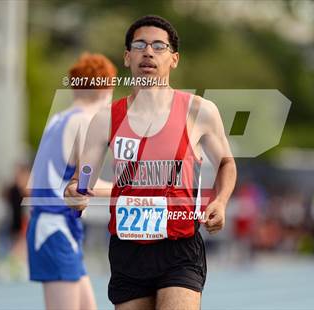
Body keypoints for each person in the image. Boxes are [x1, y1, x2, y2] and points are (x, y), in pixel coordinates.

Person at [65, 15, 237, 310]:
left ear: (174, 59)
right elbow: (83, 178)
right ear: (127, 57)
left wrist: (220, 202)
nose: (148, 52)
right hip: (128, 250)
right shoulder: (106, 119)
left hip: (179, 247)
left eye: (159, 46)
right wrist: (75, 192)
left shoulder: (199, 111)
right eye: (140, 45)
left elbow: (226, 164)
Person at [26, 53, 117, 310]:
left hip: (55, 225)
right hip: (55, 226)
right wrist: (137, 191)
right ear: (106, 89)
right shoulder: (85, 121)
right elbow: (87, 184)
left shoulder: (58, 118)